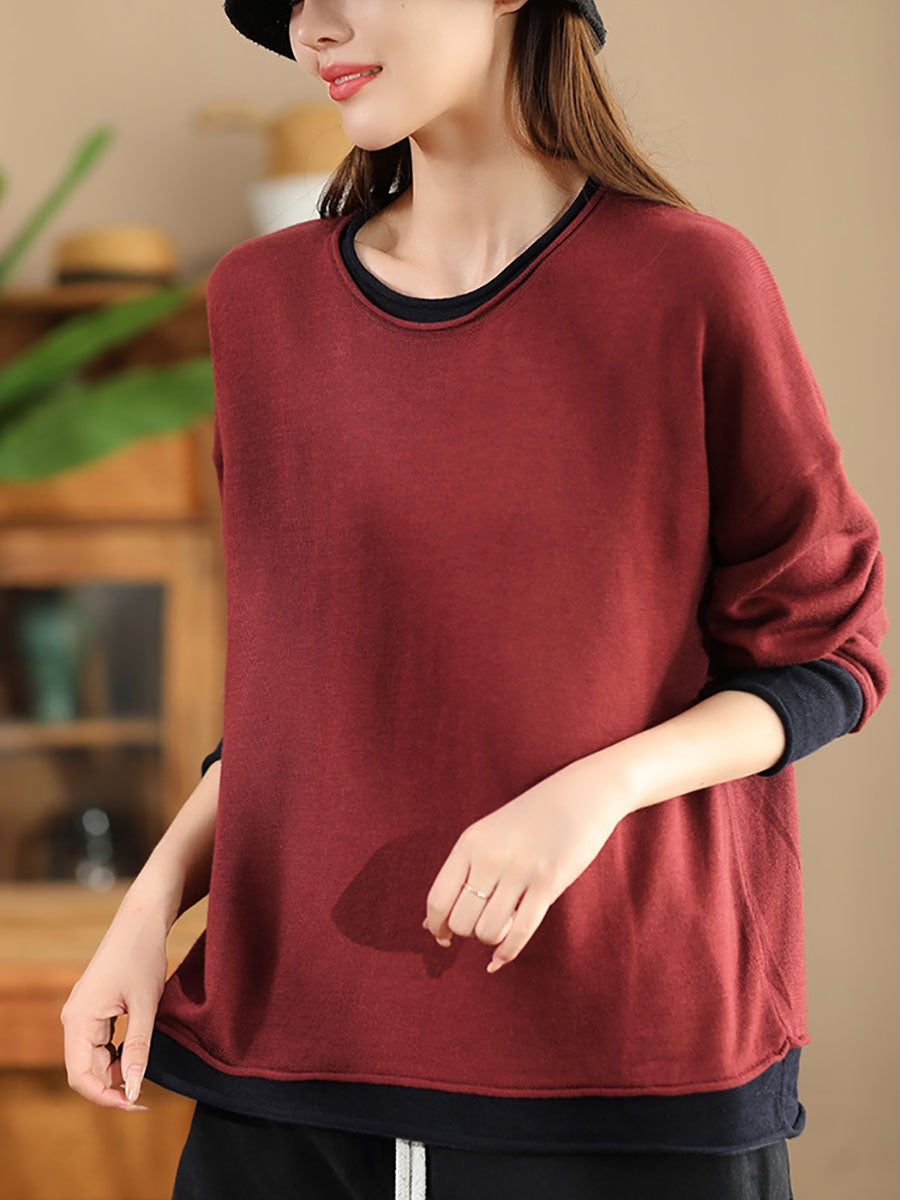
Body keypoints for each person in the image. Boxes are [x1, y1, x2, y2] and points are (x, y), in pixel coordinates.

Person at [61, 3, 889, 1198]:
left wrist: (592, 793)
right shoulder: (263, 305)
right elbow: (303, 695)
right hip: (294, 1053)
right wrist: (149, 908)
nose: (312, 25)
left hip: (624, 1063)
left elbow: (827, 650)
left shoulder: (690, 283)